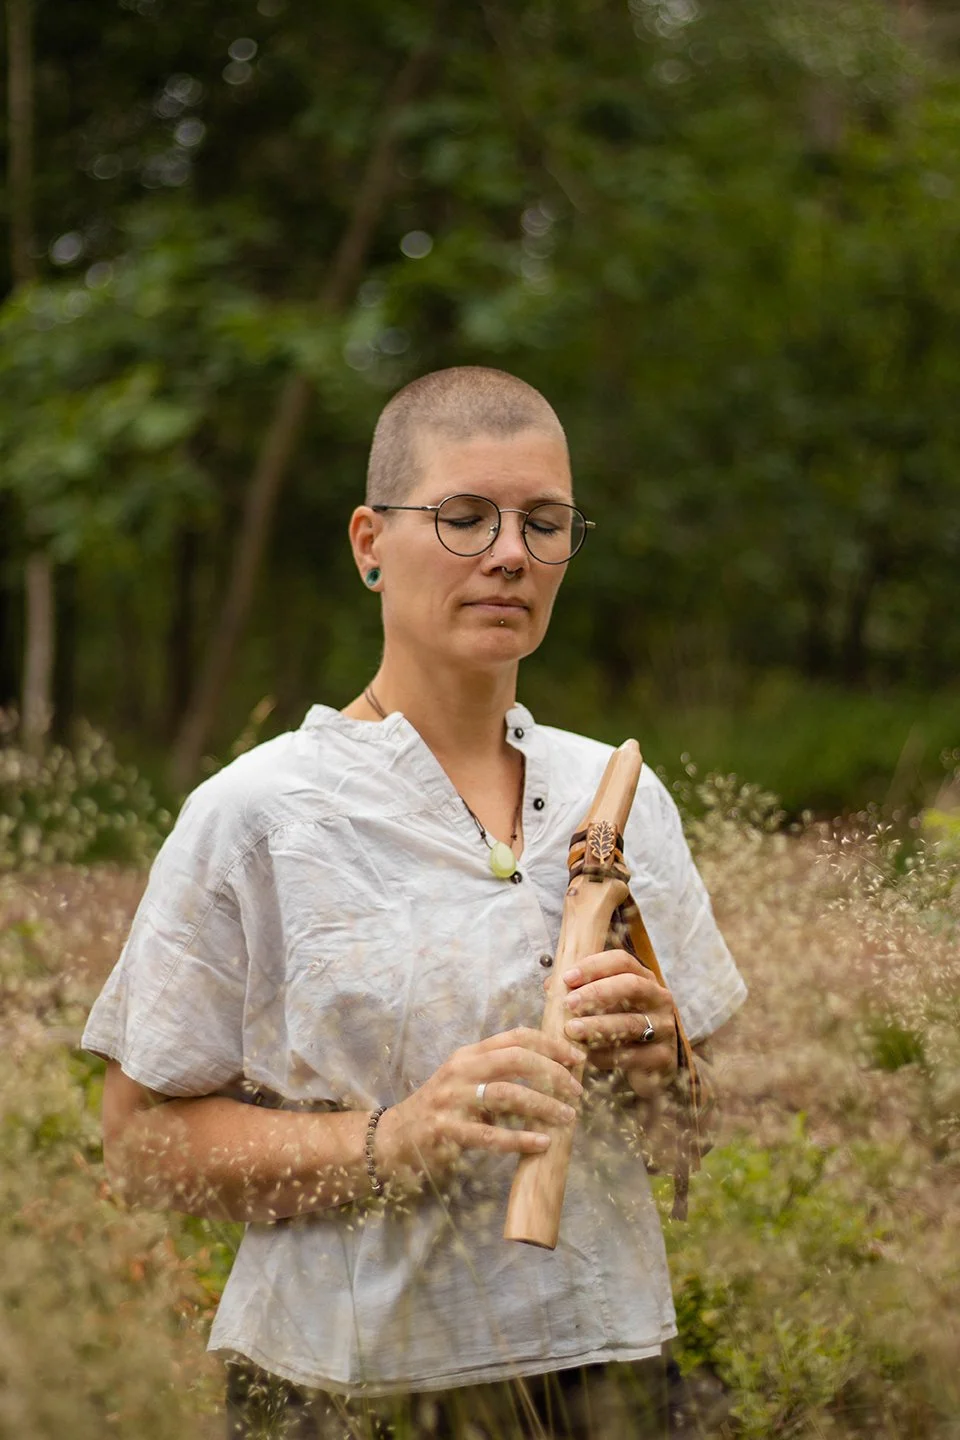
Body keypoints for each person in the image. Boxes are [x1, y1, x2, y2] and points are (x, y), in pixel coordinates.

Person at [83, 366, 747, 1439]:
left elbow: (697, 1134)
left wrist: (667, 1068)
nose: (510, 553)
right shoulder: (258, 812)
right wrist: (392, 1141)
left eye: (545, 522)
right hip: (345, 1390)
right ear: (369, 544)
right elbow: (137, 1144)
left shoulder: (619, 794)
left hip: (611, 1373)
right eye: (465, 516)